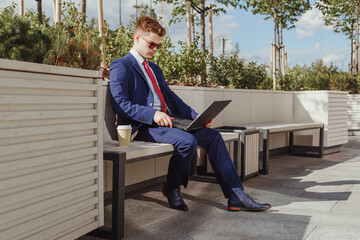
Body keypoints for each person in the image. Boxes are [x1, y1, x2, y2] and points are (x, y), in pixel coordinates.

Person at [110, 16, 271, 212]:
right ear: (136, 38)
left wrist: (196, 116)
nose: (154, 49)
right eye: (151, 44)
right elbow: (119, 103)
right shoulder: (121, 65)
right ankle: (171, 188)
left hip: (168, 122)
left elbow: (171, 97)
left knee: (214, 137)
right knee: (187, 141)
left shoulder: (153, 68)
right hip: (143, 126)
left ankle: (236, 194)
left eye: (158, 46)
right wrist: (152, 115)